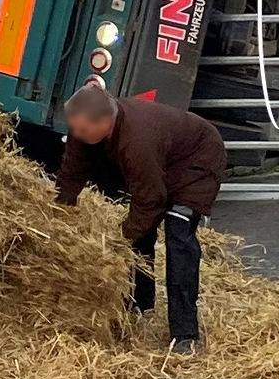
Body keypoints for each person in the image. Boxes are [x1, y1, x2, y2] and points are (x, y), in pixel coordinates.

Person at [54, 84, 226, 354]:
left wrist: (119, 240)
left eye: (83, 130)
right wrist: (58, 213)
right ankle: (140, 303)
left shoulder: (137, 140)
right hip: (161, 161)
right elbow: (72, 171)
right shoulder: (83, 128)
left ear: (106, 122)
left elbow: (151, 200)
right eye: (73, 128)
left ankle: (185, 333)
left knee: (177, 234)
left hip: (197, 159)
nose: (76, 134)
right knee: (141, 233)